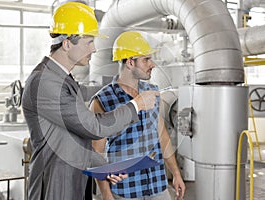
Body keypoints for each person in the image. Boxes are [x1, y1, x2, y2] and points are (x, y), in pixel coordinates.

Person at [22, 3, 159, 200]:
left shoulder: (63, 78)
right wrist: (136, 104)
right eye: (89, 42)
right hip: (54, 186)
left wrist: (104, 167)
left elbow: (74, 141)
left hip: (74, 181)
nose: (94, 49)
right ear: (67, 43)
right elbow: (93, 127)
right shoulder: (45, 83)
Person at [89, 31, 186, 200]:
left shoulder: (152, 92)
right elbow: (96, 153)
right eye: (146, 59)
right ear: (130, 62)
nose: (152, 64)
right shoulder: (102, 101)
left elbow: (162, 137)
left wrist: (176, 173)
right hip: (126, 191)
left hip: (158, 187)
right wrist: (105, 194)